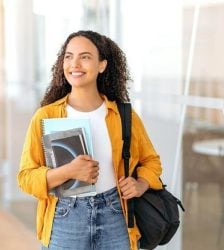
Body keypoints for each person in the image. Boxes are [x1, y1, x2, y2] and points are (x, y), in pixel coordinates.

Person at [18, 30, 163, 250]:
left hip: (116, 216)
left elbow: (151, 161)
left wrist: (140, 184)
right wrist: (69, 172)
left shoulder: (123, 115)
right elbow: (26, 177)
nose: (74, 64)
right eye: (68, 56)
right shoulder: (46, 116)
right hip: (66, 218)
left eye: (84, 57)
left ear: (102, 65)